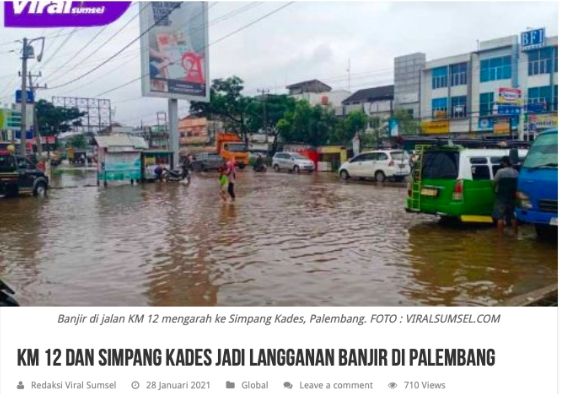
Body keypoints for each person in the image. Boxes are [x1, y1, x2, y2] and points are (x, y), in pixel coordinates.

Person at [492, 156, 519, 234]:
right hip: (512, 197)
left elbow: (494, 183)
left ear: (504, 163)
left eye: (502, 162)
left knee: (500, 217)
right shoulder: (516, 172)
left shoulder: (500, 171)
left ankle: (500, 236)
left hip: (501, 197)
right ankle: (515, 234)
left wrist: (493, 190)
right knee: (513, 217)